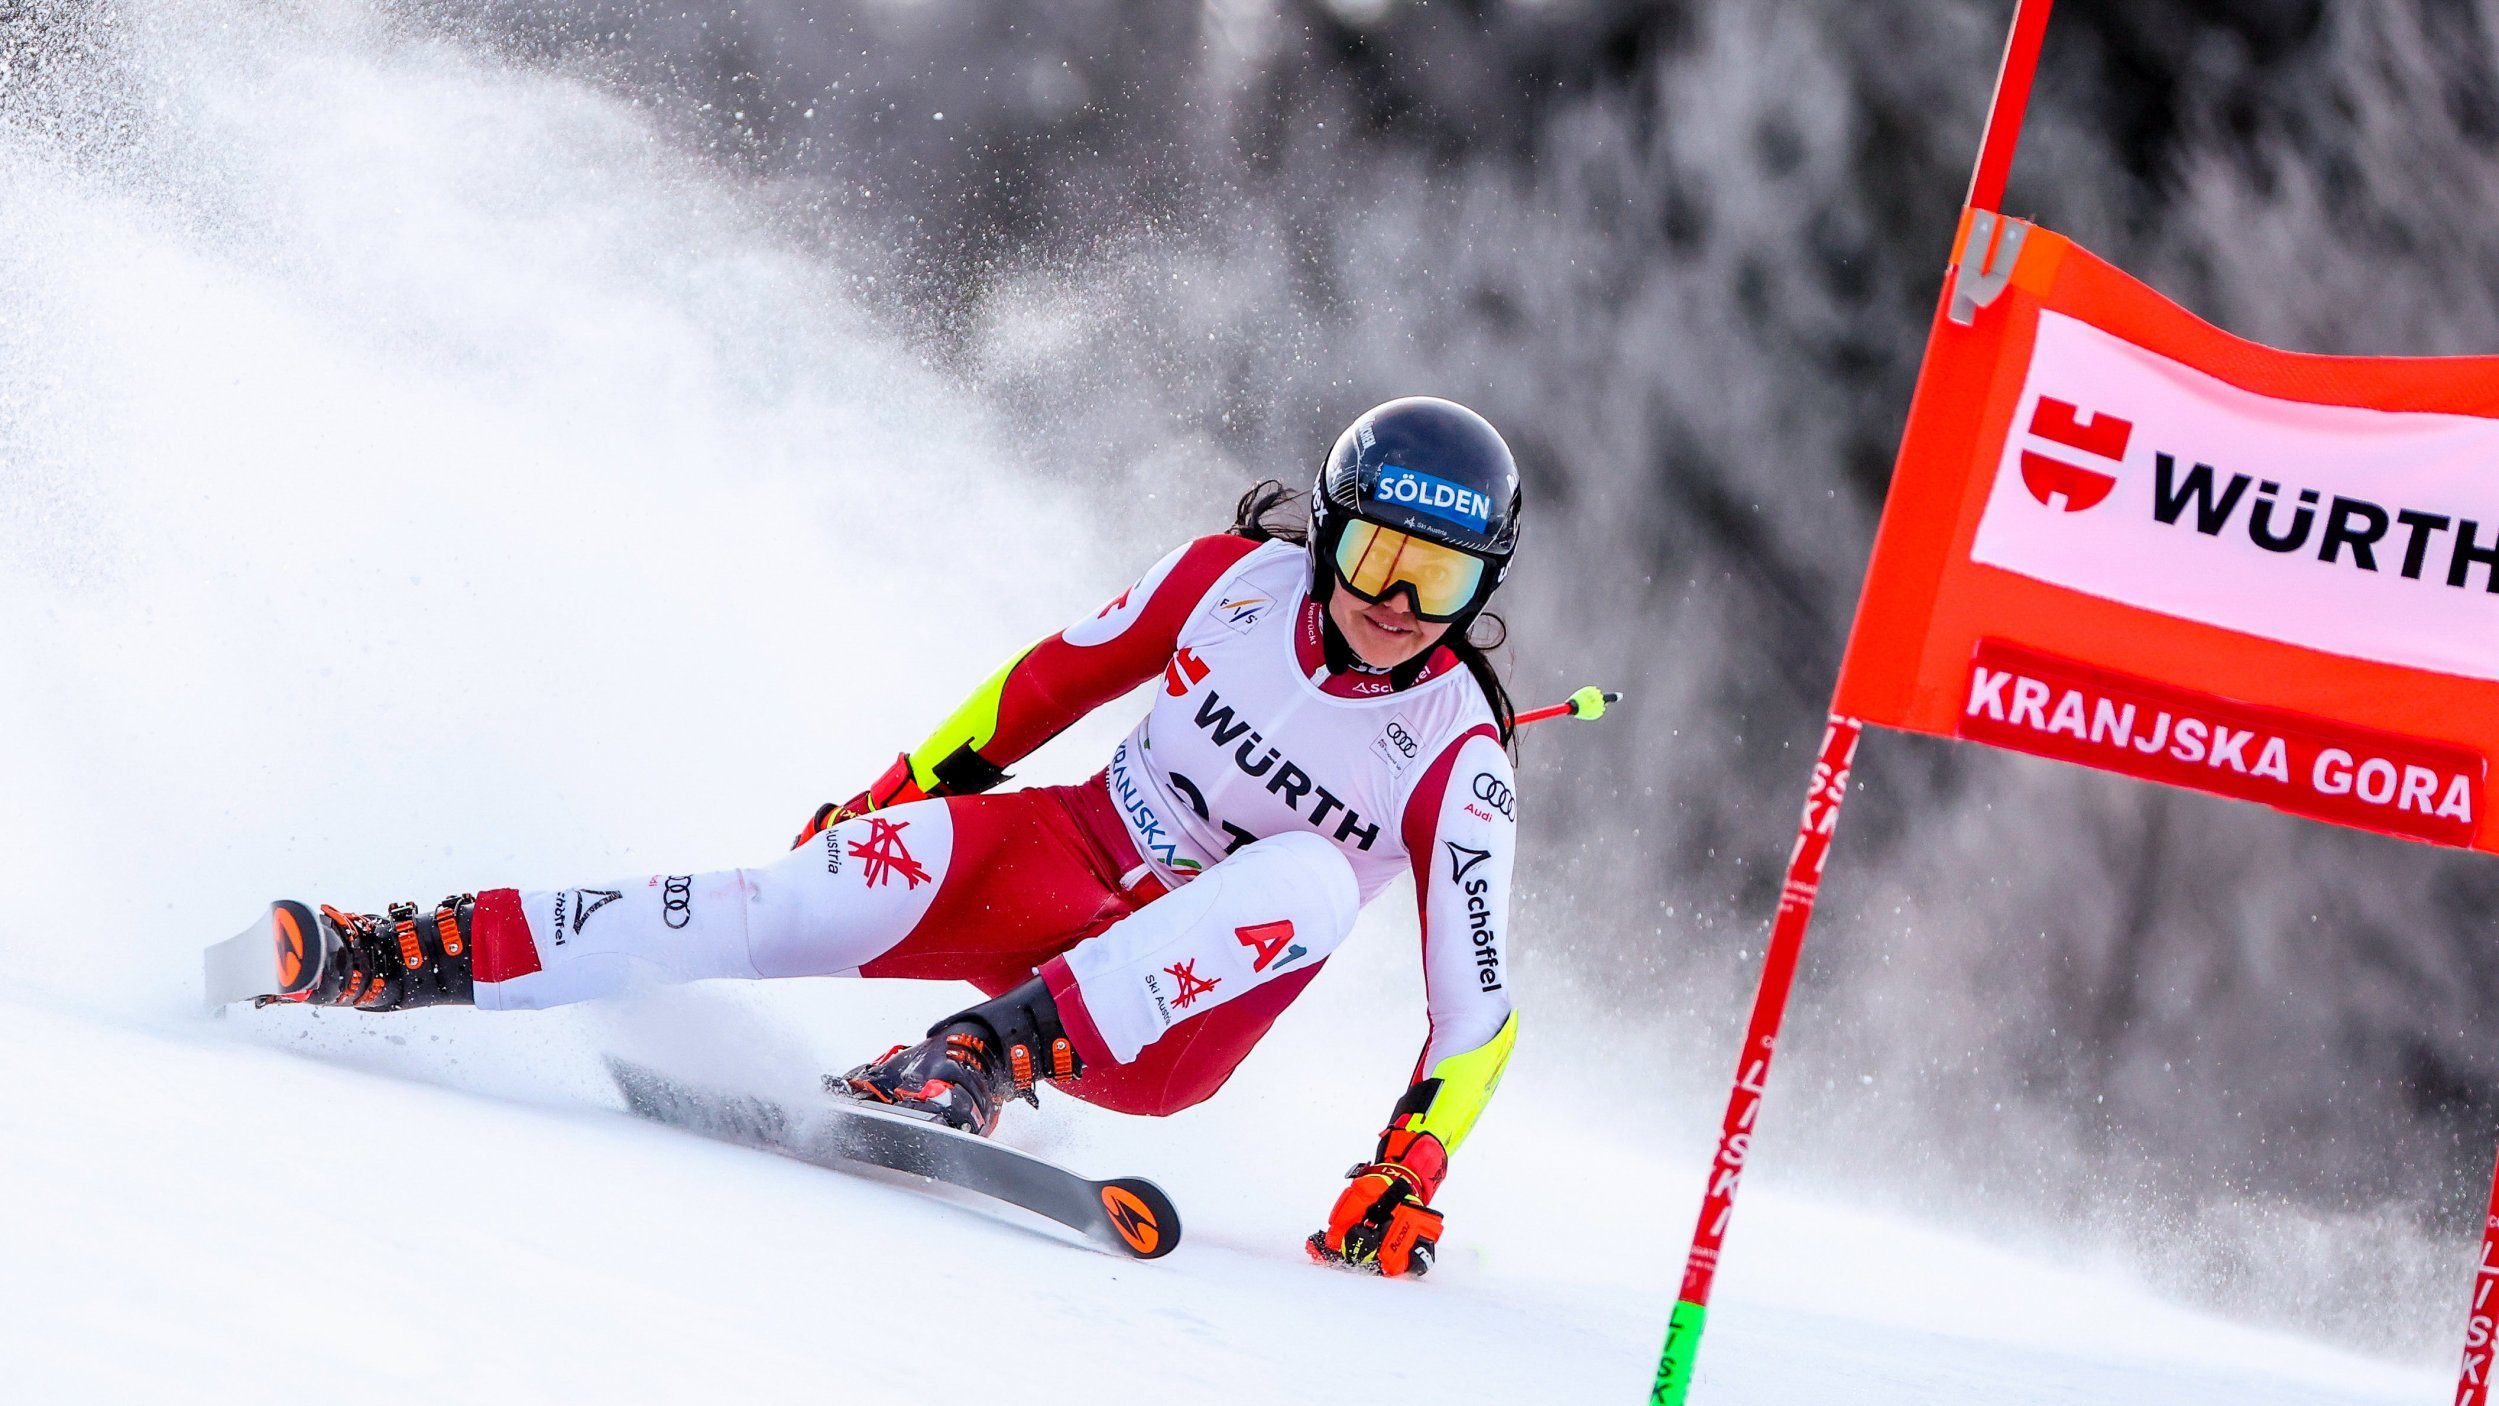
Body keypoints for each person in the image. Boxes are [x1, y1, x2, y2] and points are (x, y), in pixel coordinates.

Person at [265, 396, 1526, 1280]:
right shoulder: (1226, 581)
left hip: (1165, 1019)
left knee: (1308, 875)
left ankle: (980, 1057)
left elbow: (1475, 1012)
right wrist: (886, 796)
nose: (1396, 604)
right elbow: (1040, 690)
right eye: (1374, 556)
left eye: (1443, 580)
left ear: (1484, 588)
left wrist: (1403, 1172)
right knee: (794, 893)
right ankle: (410, 950)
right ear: (1328, 527)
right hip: (1060, 861)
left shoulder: (1461, 758)